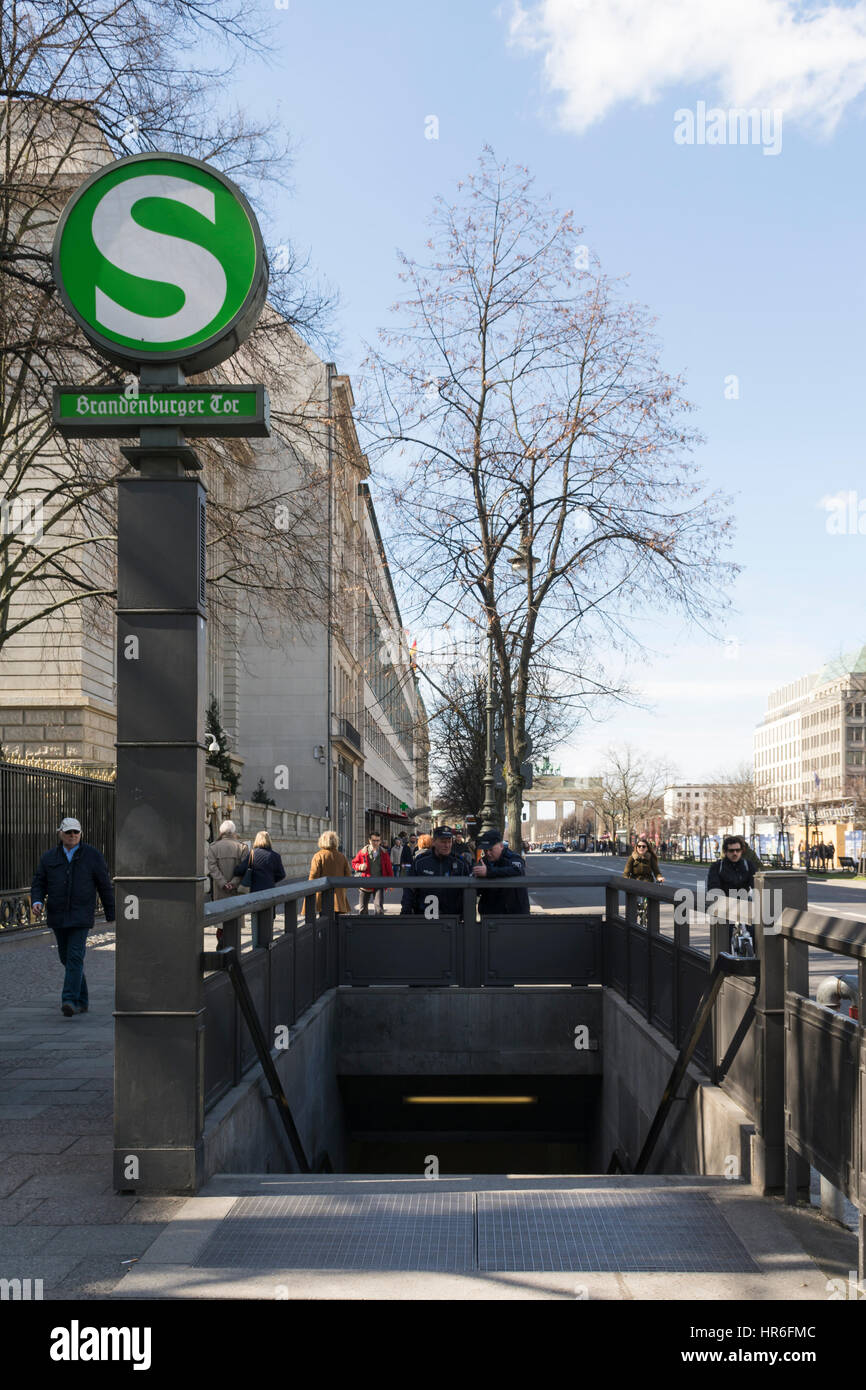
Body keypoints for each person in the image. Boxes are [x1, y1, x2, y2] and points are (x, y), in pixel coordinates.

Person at [31, 816, 115, 1017]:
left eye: (76, 832)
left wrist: (111, 911)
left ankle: (68, 999)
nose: (72, 836)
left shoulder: (92, 856)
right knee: (67, 959)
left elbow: (104, 885)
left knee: (75, 956)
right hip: (58, 915)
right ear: (60, 833)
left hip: (81, 915)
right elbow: (39, 882)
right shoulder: (49, 857)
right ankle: (82, 1000)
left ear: (81, 834)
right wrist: (37, 901)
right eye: (68, 832)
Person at [401, 825, 468, 917]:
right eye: (443, 842)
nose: (447, 845)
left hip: (452, 919)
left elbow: (468, 893)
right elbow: (409, 889)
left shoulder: (460, 863)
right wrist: (405, 913)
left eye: (449, 842)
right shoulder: (420, 862)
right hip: (424, 918)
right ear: (434, 842)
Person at [473, 828, 530, 914]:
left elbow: (517, 870)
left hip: (514, 915)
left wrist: (488, 873)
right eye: (485, 850)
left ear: (501, 846)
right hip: (491, 916)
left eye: (491, 849)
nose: (488, 853)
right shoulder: (483, 862)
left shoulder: (513, 858)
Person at [308, 830, 352, 914]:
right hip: (338, 895)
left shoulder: (318, 856)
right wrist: (343, 889)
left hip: (323, 894)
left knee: (324, 920)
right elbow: (348, 875)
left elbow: (313, 875)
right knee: (338, 921)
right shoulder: (342, 857)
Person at [352, 831, 393, 914]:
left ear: (380, 841)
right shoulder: (363, 852)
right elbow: (354, 863)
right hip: (365, 883)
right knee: (363, 909)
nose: (375, 843)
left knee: (379, 908)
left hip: (379, 882)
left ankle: (378, 925)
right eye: (373, 840)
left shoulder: (384, 853)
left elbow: (389, 868)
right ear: (369, 840)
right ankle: (363, 925)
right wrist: (359, 866)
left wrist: (391, 883)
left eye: (377, 840)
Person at [207, 819, 247, 899]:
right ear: (233, 831)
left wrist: (223, 883)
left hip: (220, 888)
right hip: (237, 888)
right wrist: (233, 883)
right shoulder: (242, 847)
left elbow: (212, 867)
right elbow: (244, 868)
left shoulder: (213, 847)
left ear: (221, 832)